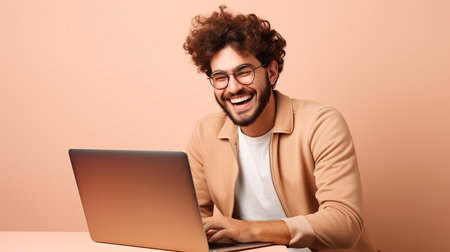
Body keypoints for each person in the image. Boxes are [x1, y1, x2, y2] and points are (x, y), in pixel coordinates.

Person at [183, 5, 378, 252]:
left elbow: (344, 223)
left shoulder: (320, 123)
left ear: (272, 72)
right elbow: (191, 221)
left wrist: (249, 230)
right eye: (220, 77)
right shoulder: (205, 133)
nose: (232, 88)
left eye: (244, 72)